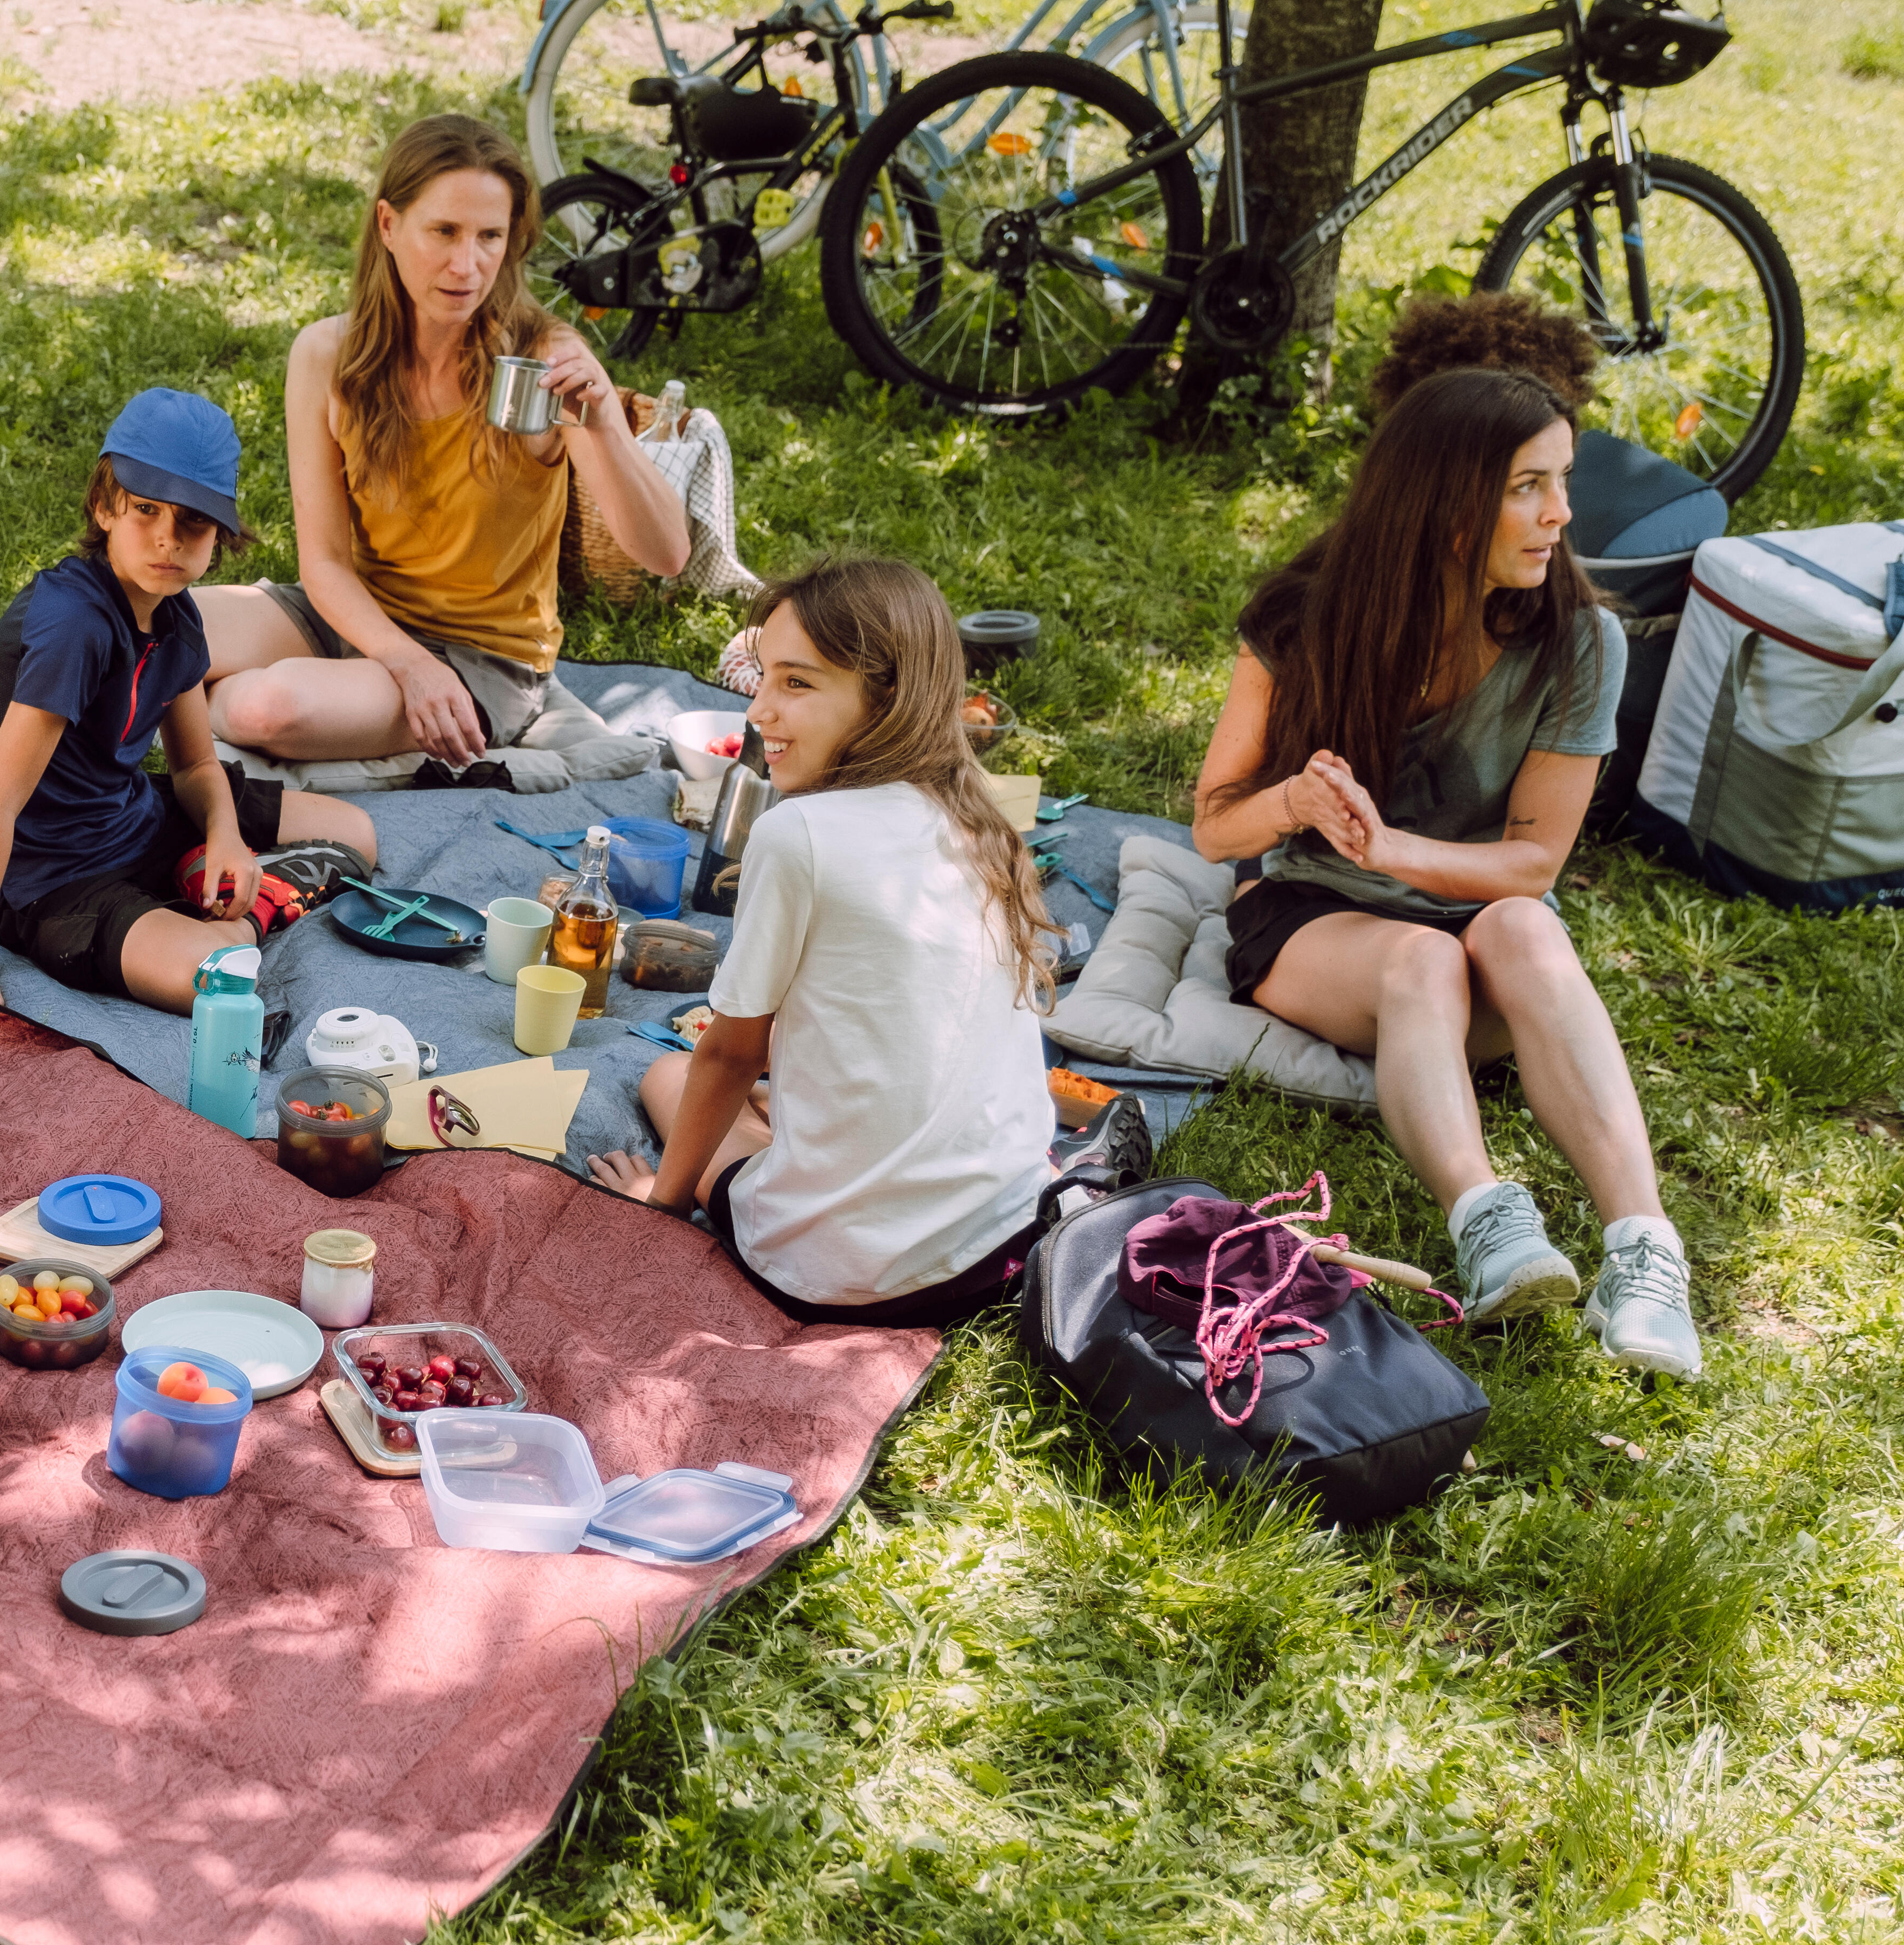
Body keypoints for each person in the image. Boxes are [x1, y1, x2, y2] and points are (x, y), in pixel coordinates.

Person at [1190, 364, 1700, 1378]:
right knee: (1419, 961)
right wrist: (1294, 804)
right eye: (1527, 486)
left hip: (1482, 924)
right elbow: (1214, 826)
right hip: (1317, 921)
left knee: (1525, 925)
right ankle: (1488, 1221)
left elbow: (1534, 861)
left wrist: (1395, 849)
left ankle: (1645, 1252)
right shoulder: (1305, 614)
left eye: (1562, 481)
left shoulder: (1577, 638)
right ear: (1445, 499)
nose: (1561, 513)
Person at [591, 558, 1080, 1326]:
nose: (758, 712)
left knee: (669, 1074)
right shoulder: (986, 823)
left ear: (884, 699)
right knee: (773, 1093)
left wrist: (662, 1202)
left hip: (853, 1270)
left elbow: (730, 1054)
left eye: (797, 683)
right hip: (1008, 1237)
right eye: (763, 679)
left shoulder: (798, 834)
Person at [195, 113, 692, 778]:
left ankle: (189, 708)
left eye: (491, 236)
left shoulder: (545, 360)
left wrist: (603, 424)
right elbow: (326, 563)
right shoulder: (326, 354)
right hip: (358, 619)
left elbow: (666, 554)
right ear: (389, 226)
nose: (468, 265)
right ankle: (197, 698)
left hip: (484, 658)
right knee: (140, 620)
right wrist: (406, 663)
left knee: (264, 709)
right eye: (445, 232)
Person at [0, 389, 377, 1011]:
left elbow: (195, 766)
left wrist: (223, 834)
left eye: (193, 519)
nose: (168, 537)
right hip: (51, 877)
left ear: (219, 535)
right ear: (104, 506)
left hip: (131, 820)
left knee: (354, 831)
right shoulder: (75, 625)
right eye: (147, 508)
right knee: (215, 976)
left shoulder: (178, 617)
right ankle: (253, 909)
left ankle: (205, 876)